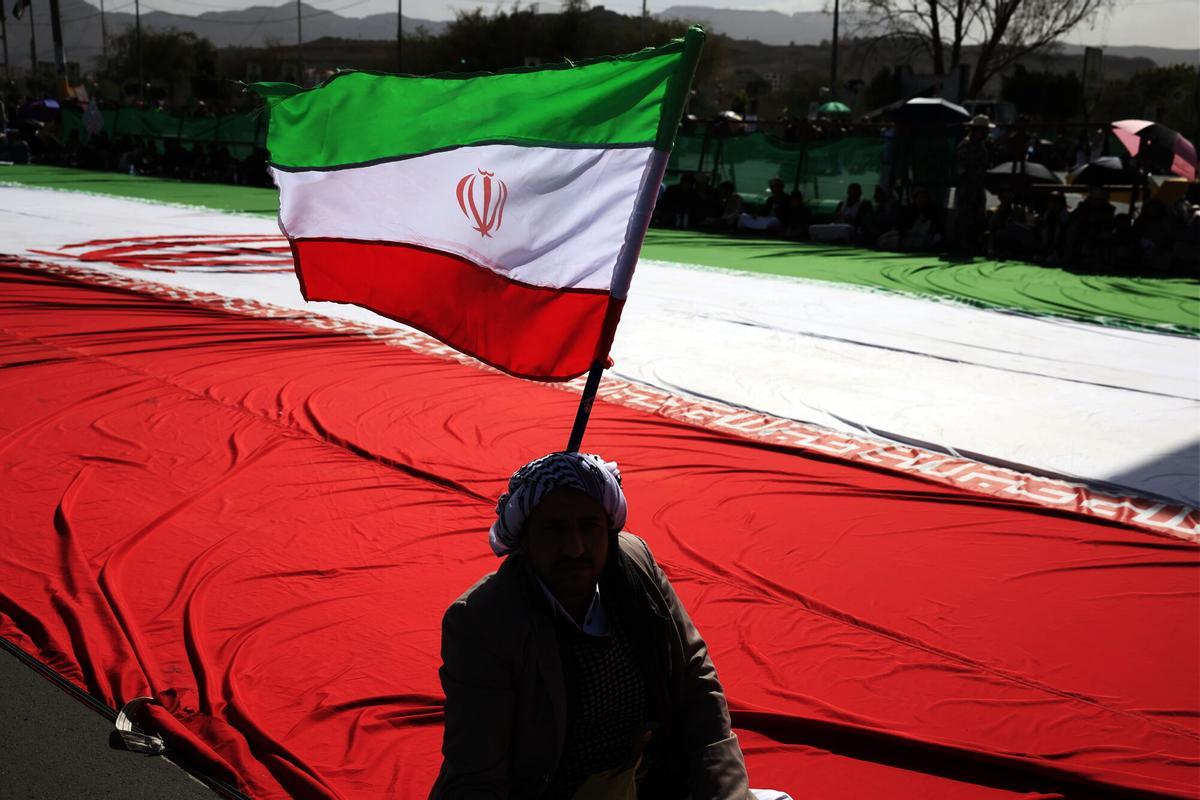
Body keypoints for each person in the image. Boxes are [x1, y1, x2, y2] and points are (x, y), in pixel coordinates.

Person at [431, 452, 752, 800]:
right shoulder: (484, 621)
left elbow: (697, 685)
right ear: (524, 539)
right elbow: (477, 775)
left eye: (589, 527)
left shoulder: (635, 564)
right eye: (553, 529)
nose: (574, 549)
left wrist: (724, 794)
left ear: (609, 531)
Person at [953, 114, 993, 255]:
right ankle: (963, 245)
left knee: (978, 216)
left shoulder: (981, 145)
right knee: (966, 216)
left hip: (978, 186)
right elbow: (964, 168)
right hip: (967, 186)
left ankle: (975, 244)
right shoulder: (965, 145)